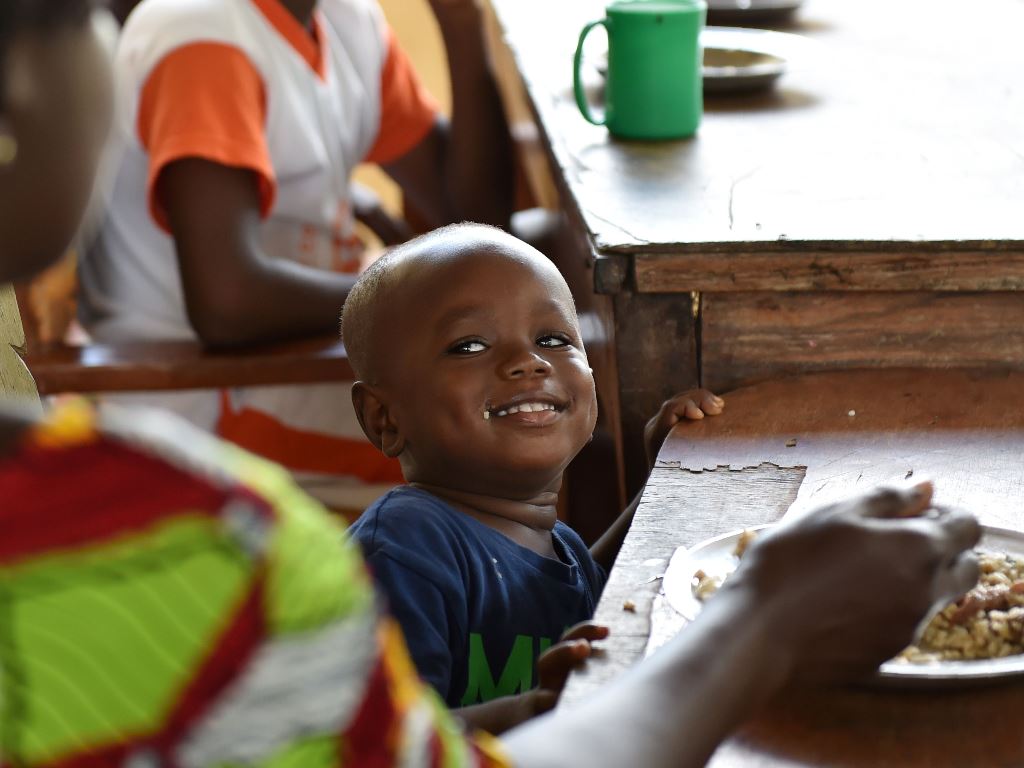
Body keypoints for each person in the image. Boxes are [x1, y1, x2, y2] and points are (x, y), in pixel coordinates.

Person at [0, 2, 982, 766]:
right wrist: (757, 623)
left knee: (538, 246)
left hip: (350, 398)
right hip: (231, 397)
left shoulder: (350, 24)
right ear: (21, 92)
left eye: (556, 342)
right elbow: (414, 731)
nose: (527, 361)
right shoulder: (233, 549)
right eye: (89, 9)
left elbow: (458, 209)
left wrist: (647, 500)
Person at [76, 0, 514, 512]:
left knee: (532, 400)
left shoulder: (347, 21)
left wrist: (462, 22)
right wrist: (404, 286)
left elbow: (477, 220)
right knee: (505, 441)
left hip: (304, 363)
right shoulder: (202, 35)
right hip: (210, 401)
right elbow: (227, 306)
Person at [343, 224, 726, 732]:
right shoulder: (405, 549)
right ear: (385, 418)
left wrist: (664, 481)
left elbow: (602, 588)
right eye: (469, 346)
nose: (528, 361)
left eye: (552, 338)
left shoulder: (557, 548)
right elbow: (377, 744)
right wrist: (534, 711)